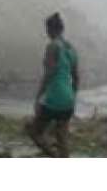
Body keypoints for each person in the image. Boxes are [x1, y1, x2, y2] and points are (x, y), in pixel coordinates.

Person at [26, 12, 79, 157]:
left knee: (34, 131)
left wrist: (38, 97)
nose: (46, 33)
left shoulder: (52, 47)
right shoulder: (71, 49)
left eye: (47, 29)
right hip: (68, 99)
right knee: (62, 138)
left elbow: (48, 74)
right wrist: (73, 99)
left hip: (54, 98)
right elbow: (76, 77)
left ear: (51, 29)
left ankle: (53, 156)